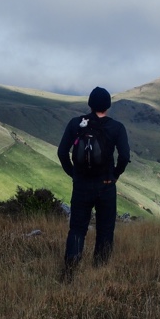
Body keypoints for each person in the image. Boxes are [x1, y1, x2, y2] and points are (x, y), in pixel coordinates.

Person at [57, 86, 130, 281]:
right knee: (105, 230)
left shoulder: (76, 124)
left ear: (89, 104)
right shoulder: (116, 127)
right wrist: (115, 175)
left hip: (81, 185)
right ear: (108, 105)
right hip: (106, 184)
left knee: (77, 228)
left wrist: (73, 173)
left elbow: (62, 153)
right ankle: (99, 273)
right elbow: (124, 156)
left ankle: (70, 270)